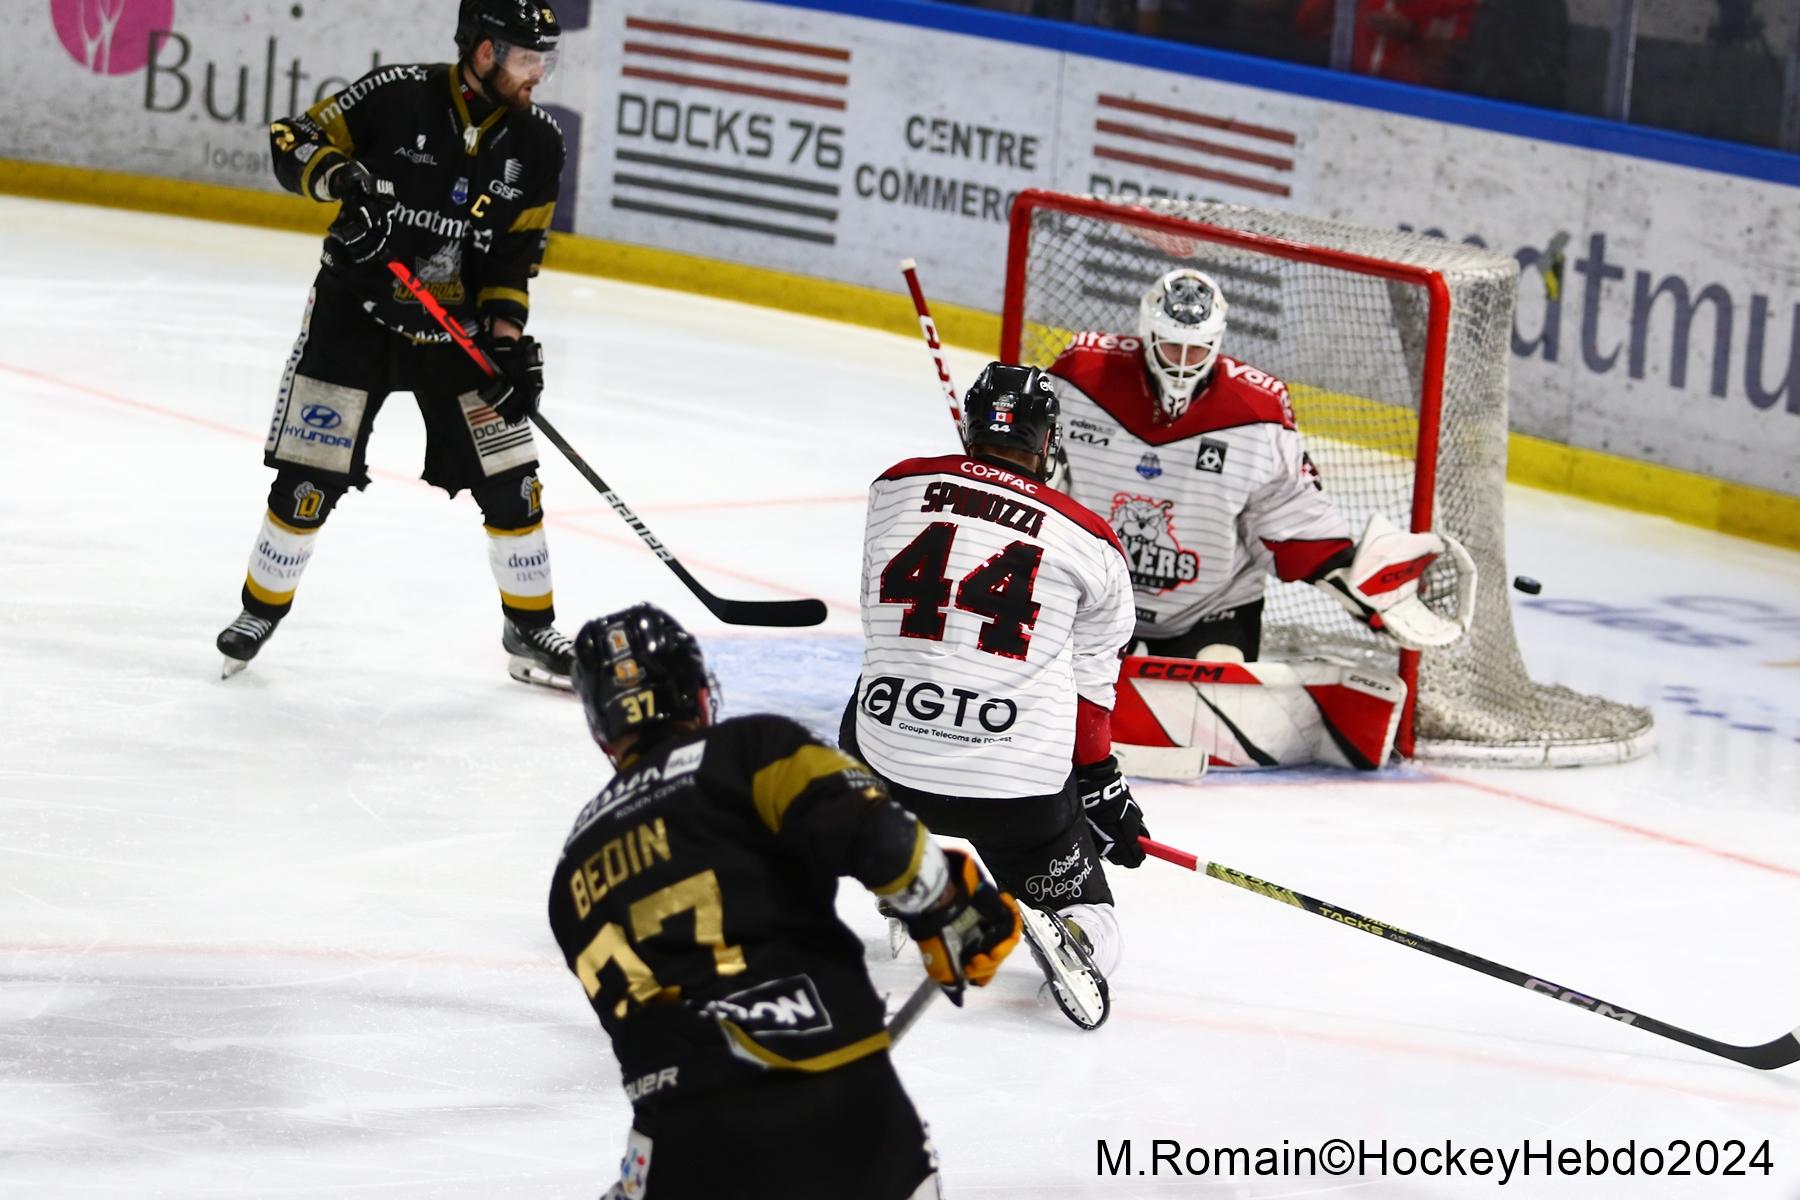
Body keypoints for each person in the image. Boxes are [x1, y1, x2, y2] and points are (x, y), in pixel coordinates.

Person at [549, 604, 1020, 1200]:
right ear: (697, 694)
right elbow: (891, 846)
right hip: (837, 1106)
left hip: (680, 1148)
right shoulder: (748, 751)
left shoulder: (571, 871)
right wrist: (953, 910)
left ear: (602, 731)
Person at [214, 0, 577, 688]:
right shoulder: (395, 94)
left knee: (513, 482)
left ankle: (530, 628)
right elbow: (292, 137)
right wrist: (340, 178)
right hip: (355, 314)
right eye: (529, 57)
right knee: (306, 481)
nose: (540, 74)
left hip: (454, 332)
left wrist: (506, 344)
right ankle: (260, 610)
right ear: (483, 52)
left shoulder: (539, 144)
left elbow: (513, 257)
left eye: (544, 59)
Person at [841, 363, 1146, 1030]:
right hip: (1015, 794)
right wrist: (1102, 792)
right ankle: (1076, 934)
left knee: (873, 687)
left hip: (883, 770)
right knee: (1097, 914)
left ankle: (907, 878)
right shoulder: (1093, 542)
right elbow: (1092, 698)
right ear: (1047, 442)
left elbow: (884, 624)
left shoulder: (893, 487)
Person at [1049, 268, 1467, 665]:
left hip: (1211, 610)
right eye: (1171, 345)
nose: (1182, 361)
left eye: (1195, 349)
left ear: (1216, 342)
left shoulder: (1257, 413)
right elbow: (1030, 464)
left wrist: (1350, 581)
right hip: (1091, 600)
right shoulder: (1081, 377)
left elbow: (1285, 513)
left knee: (1218, 687)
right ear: (1148, 333)